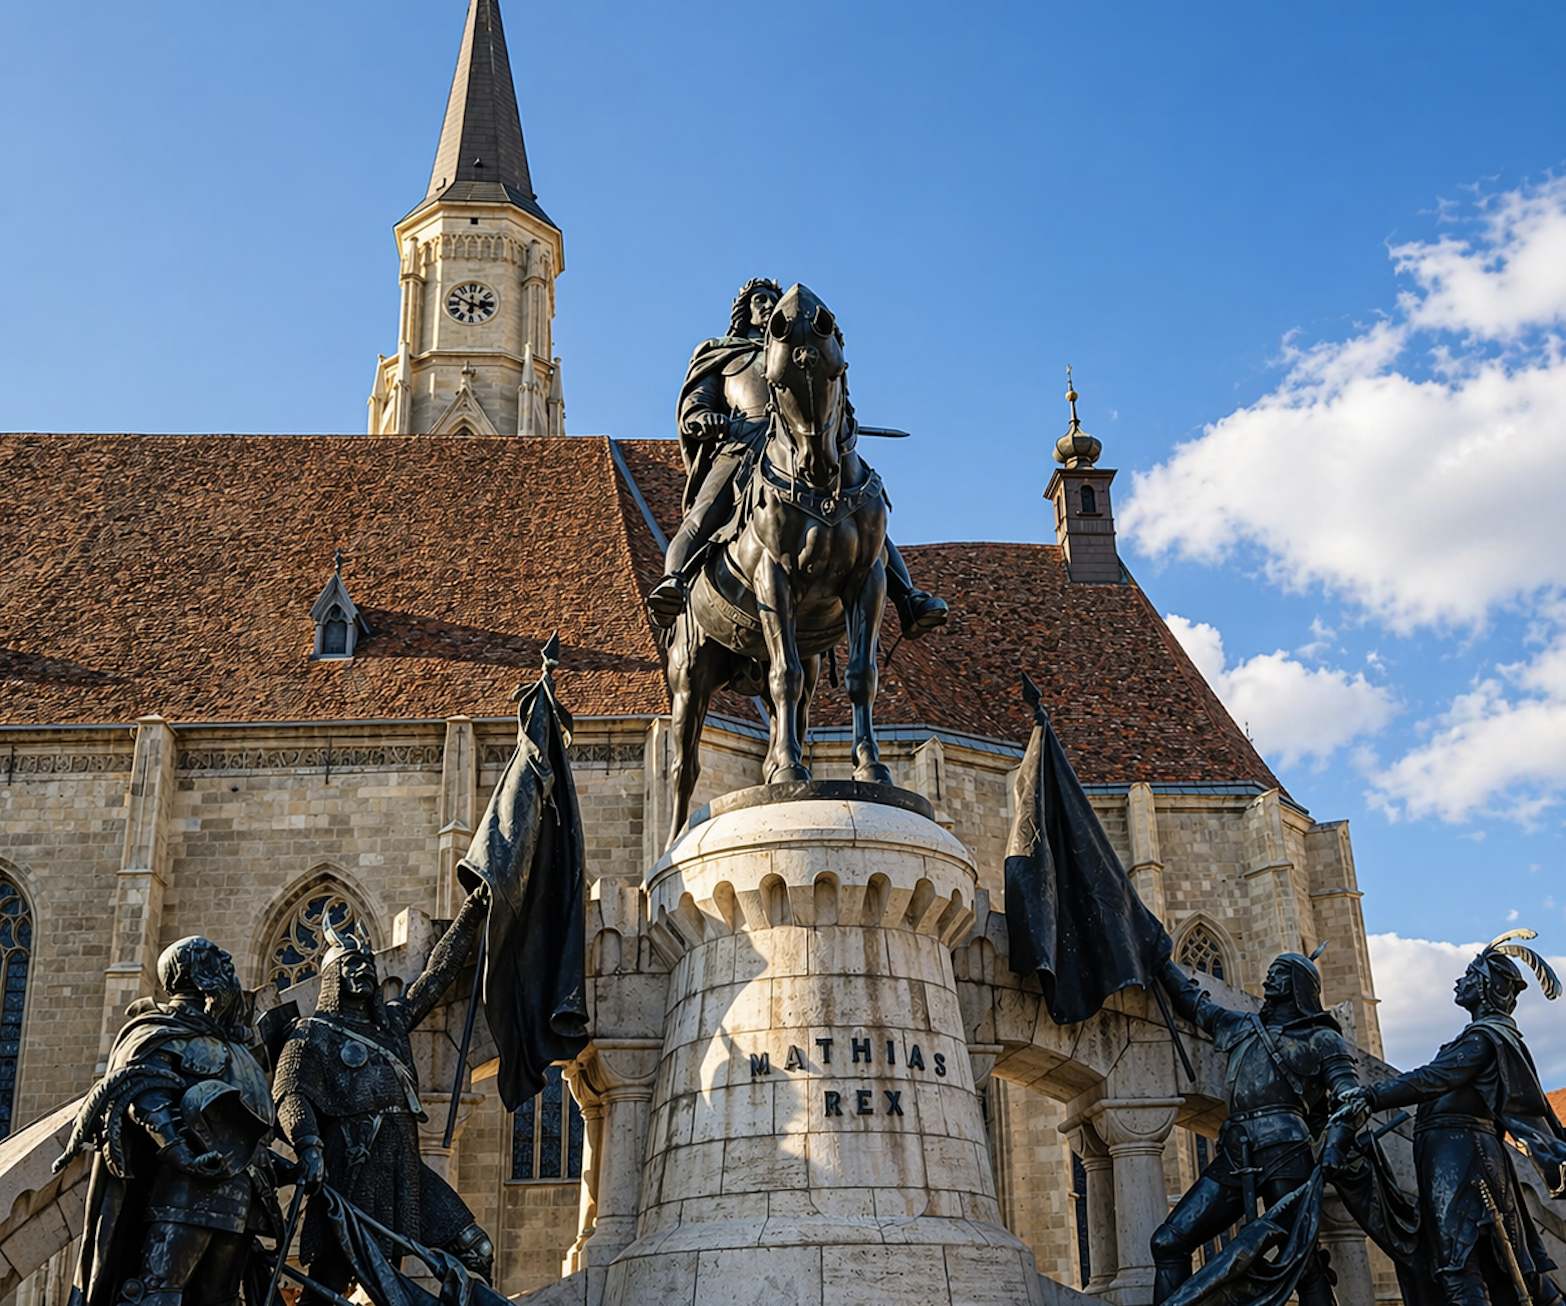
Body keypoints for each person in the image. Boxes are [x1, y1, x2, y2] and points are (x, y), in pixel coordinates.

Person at [645, 278, 947, 639]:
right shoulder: (724, 354)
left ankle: (907, 597)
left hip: (796, 445)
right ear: (744, 312)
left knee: (862, 508)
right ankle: (674, 581)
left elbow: (829, 395)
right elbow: (696, 405)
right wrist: (704, 419)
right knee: (703, 513)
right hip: (741, 448)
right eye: (759, 300)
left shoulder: (795, 352)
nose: (767, 305)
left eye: (772, 300)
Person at [272, 885, 494, 1297]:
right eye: (352, 965)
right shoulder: (312, 1034)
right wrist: (309, 1146)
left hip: (402, 1166)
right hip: (351, 1165)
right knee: (332, 1280)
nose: (364, 971)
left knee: (475, 1248)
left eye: (367, 965)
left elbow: (436, 975)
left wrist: (472, 912)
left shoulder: (391, 1024)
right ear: (333, 976)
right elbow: (290, 1094)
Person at [1336, 931, 1566, 1306]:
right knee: (1493, 1263)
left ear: (1487, 988)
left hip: (1463, 1160)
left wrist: (1371, 1095)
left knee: (1461, 1265)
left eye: (1470, 975)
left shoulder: (1483, 1039)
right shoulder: (1482, 1037)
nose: (1460, 981)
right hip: (1454, 1156)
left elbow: (1432, 1078)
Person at [57, 937, 284, 1306]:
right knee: (158, 1292)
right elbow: (146, 1095)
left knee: (221, 1299)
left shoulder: (237, 1049)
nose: (226, 958)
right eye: (212, 955)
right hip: (184, 1193)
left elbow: (244, 1132)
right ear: (189, 972)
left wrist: (286, 1168)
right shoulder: (159, 1031)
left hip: (240, 1201)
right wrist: (182, 1153)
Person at [1151, 950, 1360, 1306]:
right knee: (1168, 1241)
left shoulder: (1323, 1039)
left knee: (1302, 1261)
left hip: (1287, 1153)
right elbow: (1193, 1003)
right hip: (1236, 1153)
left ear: (1298, 985)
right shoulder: (1241, 1027)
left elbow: (1350, 1099)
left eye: (1279, 973)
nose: (1268, 978)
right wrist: (1158, 955)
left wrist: (1336, 1146)